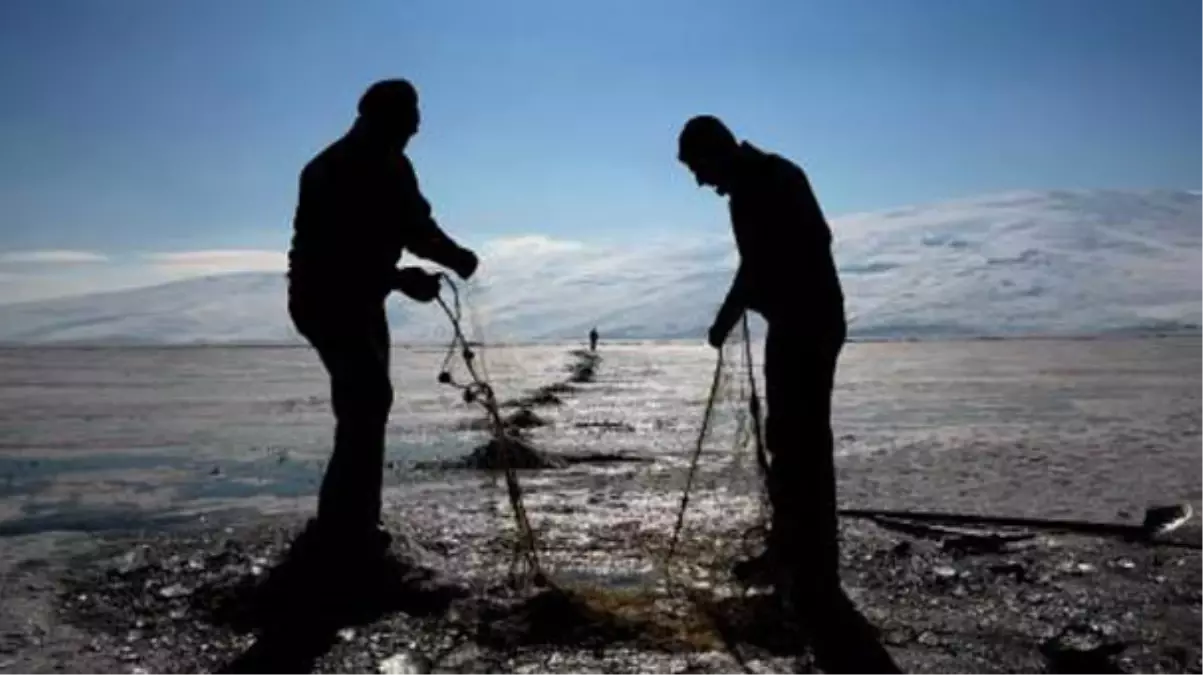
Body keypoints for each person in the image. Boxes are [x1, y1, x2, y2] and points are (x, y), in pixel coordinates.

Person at [678, 115, 901, 673]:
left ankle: (815, 572)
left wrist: (731, 312)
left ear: (719, 151)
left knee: (804, 444)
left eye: (700, 169)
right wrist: (736, 311)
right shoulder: (751, 187)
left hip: (812, 322)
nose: (701, 183)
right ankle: (790, 555)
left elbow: (786, 252)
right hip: (793, 321)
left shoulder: (773, 179)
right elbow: (757, 263)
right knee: (787, 438)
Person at [284, 79, 478, 577]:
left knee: (369, 404)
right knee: (366, 400)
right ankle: (340, 533)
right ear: (381, 118)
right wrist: (397, 277)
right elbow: (330, 254)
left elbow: (415, 227)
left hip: (364, 299)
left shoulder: (395, 166)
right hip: (322, 298)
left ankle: (354, 526)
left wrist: (453, 256)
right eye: (409, 116)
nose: (417, 126)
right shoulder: (331, 169)